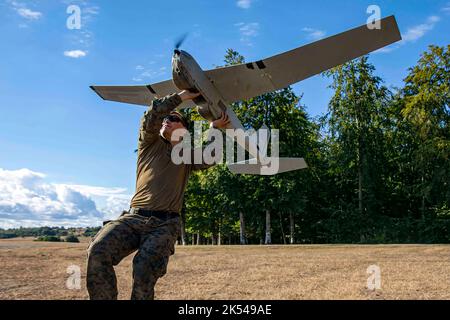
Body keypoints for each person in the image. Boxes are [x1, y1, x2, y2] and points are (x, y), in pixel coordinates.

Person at [86, 90, 230, 300]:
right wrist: (181, 97)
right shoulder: (149, 143)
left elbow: (211, 157)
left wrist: (214, 129)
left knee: (144, 268)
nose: (166, 120)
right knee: (97, 250)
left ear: (185, 132)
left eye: (173, 118)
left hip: (165, 225)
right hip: (133, 218)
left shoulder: (187, 156)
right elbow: (152, 115)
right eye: (166, 118)